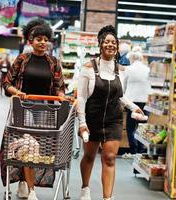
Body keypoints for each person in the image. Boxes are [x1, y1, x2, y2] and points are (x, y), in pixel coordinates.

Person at [0, 18, 65, 200]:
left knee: (42, 148)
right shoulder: (22, 60)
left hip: (46, 110)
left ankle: (24, 181)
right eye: (39, 39)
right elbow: (7, 84)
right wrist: (18, 92)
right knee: (29, 146)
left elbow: (59, 86)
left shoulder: (54, 62)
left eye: (46, 39)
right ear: (31, 41)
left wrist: (61, 97)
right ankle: (31, 190)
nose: (43, 42)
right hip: (24, 109)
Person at [77, 25, 144, 200]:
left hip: (113, 120)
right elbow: (81, 98)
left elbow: (120, 96)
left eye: (113, 42)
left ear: (117, 46)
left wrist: (133, 107)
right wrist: (82, 123)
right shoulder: (88, 67)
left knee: (109, 158)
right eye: (106, 41)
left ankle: (108, 198)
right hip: (92, 119)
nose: (110, 45)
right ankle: (85, 188)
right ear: (100, 44)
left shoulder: (121, 70)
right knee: (90, 156)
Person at [123, 46, 151, 156]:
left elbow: (124, 86)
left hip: (132, 102)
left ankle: (133, 150)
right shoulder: (148, 70)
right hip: (145, 100)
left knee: (131, 127)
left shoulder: (128, 69)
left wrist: (124, 99)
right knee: (142, 127)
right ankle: (140, 149)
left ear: (132, 58)